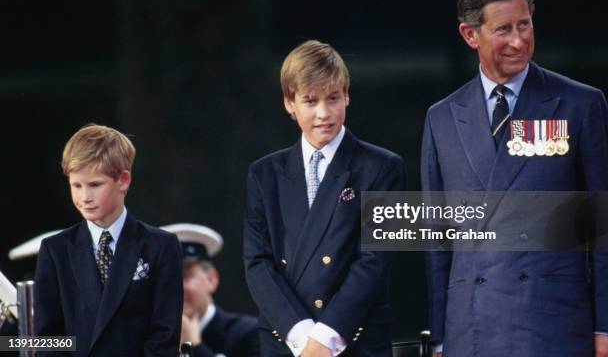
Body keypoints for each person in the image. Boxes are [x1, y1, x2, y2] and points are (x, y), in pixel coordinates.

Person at [421, 0, 608, 356]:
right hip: (469, 329)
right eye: (503, 29)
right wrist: (441, 336)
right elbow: (437, 242)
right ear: (470, 35)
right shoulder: (440, 119)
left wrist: (607, 328)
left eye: (524, 24)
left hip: (553, 324)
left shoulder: (581, 105)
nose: (519, 40)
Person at [244, 40, 406, 356]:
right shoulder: (263, 174)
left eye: (333, 98)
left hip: (354, 341)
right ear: (289, 103)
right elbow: (257, 264)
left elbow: (373, 262)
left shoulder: (383, 167)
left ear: (346, 94)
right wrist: (302, 337)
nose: (323, 114)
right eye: (310, 101)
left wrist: (324, 340)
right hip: (286, 342)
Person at [34, 124, 183, 356]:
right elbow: (48, 338)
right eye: (76, 185)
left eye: (95, 185)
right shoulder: (56, 251)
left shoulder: (160, 246)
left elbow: (165, 335)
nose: (84, 197)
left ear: (123, 181)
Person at [161, 223, 259, 357]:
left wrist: (194, 347)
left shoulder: (247, 335)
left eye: (185, 276)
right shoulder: (151, 340)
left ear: (212, 279)